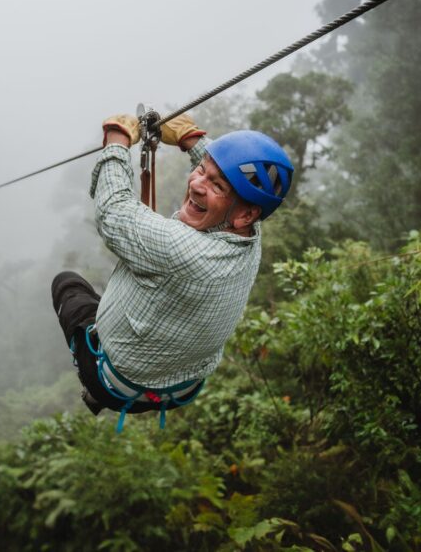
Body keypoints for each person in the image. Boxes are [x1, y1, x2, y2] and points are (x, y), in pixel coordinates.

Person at [51, 112, 293, 427]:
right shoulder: (250, 233)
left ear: (246, 214)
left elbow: (113, 211)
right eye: (201, 171)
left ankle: (94, 386)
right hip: (181, 388)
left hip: (115, 385)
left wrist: (117, 140)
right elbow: (228, 177)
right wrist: (189, 138)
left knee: (67, 284)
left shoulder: (182, 250)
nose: (196, 185)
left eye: (215, 185)